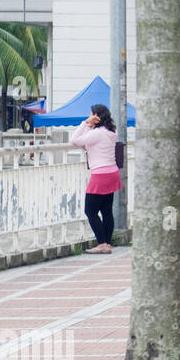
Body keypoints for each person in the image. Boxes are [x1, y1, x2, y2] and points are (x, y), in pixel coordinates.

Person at [70, 104, 121, 254]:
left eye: (91, 114)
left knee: (90, 211)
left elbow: (74, 140)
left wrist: (86, 123)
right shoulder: (111, 131)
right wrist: (91, 125)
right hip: (112, 172)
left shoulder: (97, 133)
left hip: (100, 175)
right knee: (106, 210)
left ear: (96, 116)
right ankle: (107, 243)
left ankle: (102, 243)